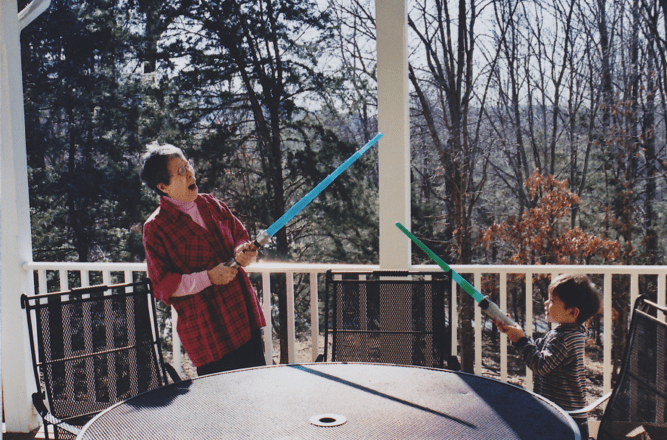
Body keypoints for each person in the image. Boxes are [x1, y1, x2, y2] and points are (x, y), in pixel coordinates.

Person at [140, 142, 266, 376]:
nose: (189, 172)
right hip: (207, 329)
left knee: (257, 386)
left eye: (187, 165)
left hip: (242, 314)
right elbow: (162, 285)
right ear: (163, 186)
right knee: (219, 397)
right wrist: (208, 277)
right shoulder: (155, 228)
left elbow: (239, 234)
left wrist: (243, 250)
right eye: (180, 171)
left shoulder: (211, 204)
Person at [495, 274, 601, 440]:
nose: (546, 303)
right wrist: (515, 334)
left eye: (552, 300)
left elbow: (540, 365)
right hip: (560, 415)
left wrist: (521, 340)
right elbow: (538, 349)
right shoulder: (565, 332)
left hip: (566, 421)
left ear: (572, 312)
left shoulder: (565, 339)